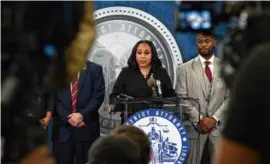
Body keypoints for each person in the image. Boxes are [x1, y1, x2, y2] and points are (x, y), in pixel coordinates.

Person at [175, 32, 229, 164]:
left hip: (219, 131)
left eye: (207, 41)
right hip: (194, 131)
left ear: (214, 42)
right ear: (196, 43)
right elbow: (181, 97)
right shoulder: (184, 69)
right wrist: (200, 119)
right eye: (200, 41)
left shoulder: (225, 67)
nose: (203, 44)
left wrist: (214, 119)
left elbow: (230, 97)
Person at [52, 61, 105, 164]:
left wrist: (82, 115)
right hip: (63, 129)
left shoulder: (95, 69)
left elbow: (98, 96)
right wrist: (68, 118)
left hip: (86, 127)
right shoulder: (57, 70)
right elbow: (54, 98)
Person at [109, 40, 176, 120]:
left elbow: (171, 97)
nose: (142, 56)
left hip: (155, 120)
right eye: (139, 53)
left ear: (153, 55)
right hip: (131, 120)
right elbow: (114, 95)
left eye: (146, 53)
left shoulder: (161, 72)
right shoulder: (126, 73)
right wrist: (114, 104)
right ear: (135, 55)